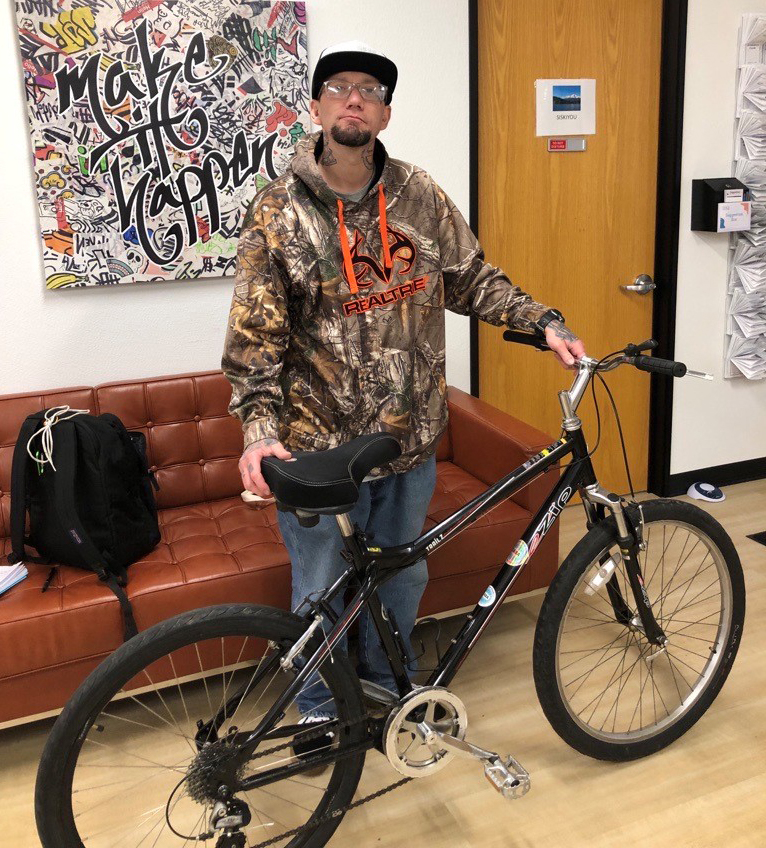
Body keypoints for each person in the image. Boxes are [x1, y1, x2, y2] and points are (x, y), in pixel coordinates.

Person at [222, 41, 584, 732]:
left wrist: (543, 322)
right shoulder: (277, 211)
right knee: (320, 592)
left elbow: (472, 278)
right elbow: (254, 340)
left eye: (370, 91)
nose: (354, 98)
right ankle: (322, 717)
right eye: (339, 87)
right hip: (317, 449)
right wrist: (259, 433)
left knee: (401, 578)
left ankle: (391, 696)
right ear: (318, 106)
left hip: (407, 442)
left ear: (384, 114)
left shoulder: (419, 194)